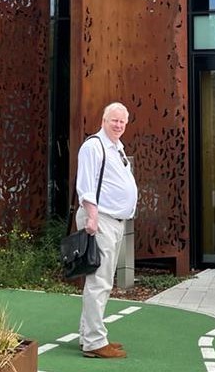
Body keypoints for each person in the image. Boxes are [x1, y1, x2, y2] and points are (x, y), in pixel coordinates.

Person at [75, 102, 138, 359]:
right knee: (99, 281)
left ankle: (88, 335)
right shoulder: (94, 146)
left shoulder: (117, 148)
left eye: (123, 121)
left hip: (112, 222)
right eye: (115, 120)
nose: (119, 125)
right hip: (100, 220)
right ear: (103, 120)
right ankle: (94, 341)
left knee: (102, 281)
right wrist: (92, 217)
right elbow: (86, 184)